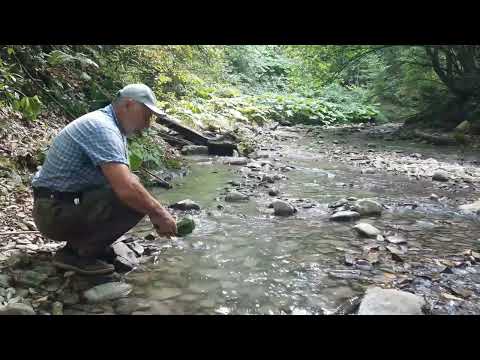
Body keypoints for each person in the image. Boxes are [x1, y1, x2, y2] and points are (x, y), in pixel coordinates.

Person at [31, 84, 177, 275]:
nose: (147, 123)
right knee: (134, 198)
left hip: (57, 205)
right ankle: (77, 254)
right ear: (128, 105)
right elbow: (126, 188)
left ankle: (87, 245)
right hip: (53, 212)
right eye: (146, 114)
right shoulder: (102, 127)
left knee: (136, 189)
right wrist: (159, 212)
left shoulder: (110, 125)